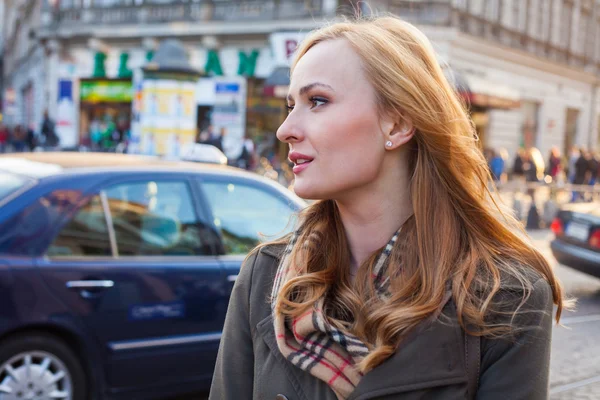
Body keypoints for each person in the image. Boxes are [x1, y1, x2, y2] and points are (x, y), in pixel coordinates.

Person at [210, 16, 568, 400]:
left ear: (396, 124)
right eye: (290, 104)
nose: (285, 129)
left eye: (317, 101)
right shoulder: (264, 276)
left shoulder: (506, 297)